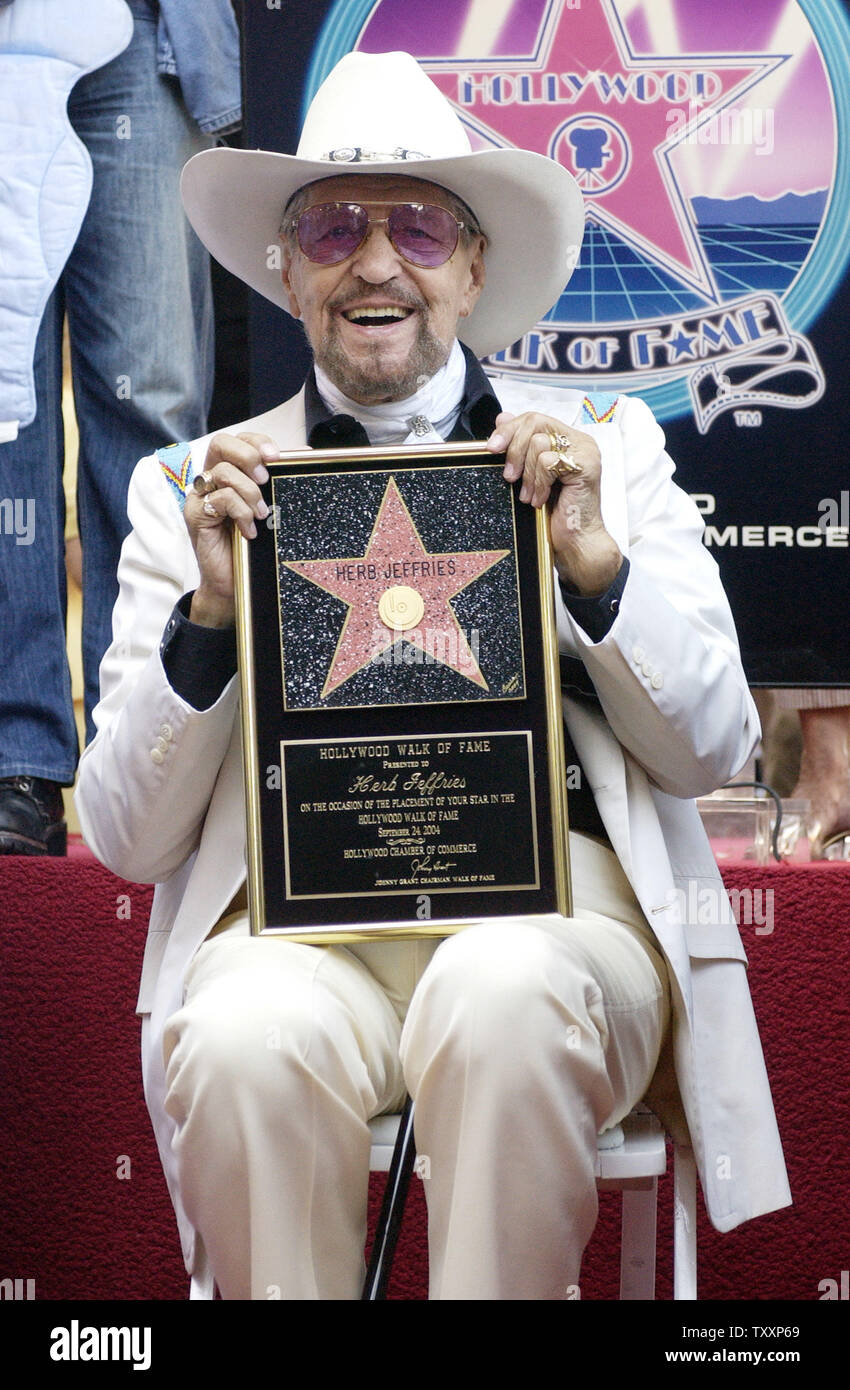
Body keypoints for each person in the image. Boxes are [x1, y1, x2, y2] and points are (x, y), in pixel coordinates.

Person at [75, 51, 790, 1300]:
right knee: (240, 1037)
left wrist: (592, 574)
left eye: (416, 225)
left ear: (470, 270)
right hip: (300, 932)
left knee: (501, 987)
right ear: (286, 272)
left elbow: (716, 747)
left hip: (564, 918)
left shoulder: (608, 457)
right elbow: (132, 842)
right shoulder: (190, 489)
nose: (374, 260)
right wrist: (211, 617)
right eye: (333, 227)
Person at [0, 0, 240, 855]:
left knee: (155, 403)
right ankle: (15, 760)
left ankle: (146, 748)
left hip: (148, 30)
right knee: (2, 416)